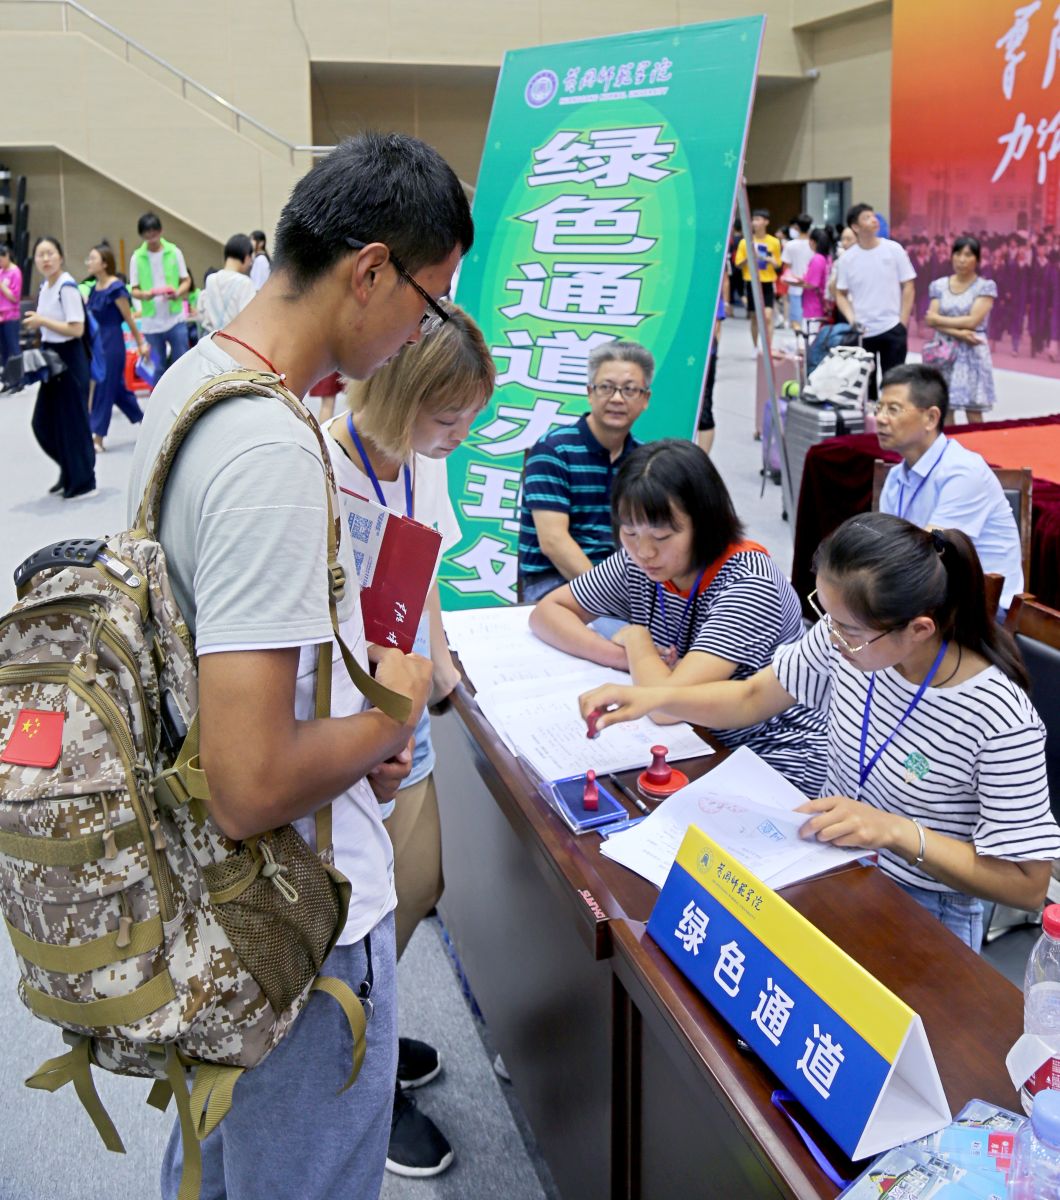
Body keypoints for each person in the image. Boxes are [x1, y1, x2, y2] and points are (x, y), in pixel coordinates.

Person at [126, 131, 472, 1200]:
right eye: (432, 304)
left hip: (203, 894)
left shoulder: (197, 380)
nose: (425, 333)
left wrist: (350, 731)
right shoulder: (277, 450)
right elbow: (252, 782)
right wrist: (389, 713)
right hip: (296, 921)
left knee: (215, 1161)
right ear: (370, 271)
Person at [579, 512, 1060, 952]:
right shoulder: (848, 639)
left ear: (919, 630)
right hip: (829, 864)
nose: (831, 636)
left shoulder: (998, 718)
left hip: (923, 908)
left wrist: (897, 832)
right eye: (825, 613)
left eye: (849, 629)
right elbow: (751, 697)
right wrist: (656, 697)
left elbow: (1027, 883)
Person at [330, 302, 494, 1178]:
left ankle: (369, 1030)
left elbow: (421, 562)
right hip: (351, 723)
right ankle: (356, 1074)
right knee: (357, 915)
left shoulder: (421, 457)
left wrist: (441, 659)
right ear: (399, 393)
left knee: (418, 882)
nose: (462, 435)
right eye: (449, 417)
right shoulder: (323, 465)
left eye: (470, 416)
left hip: (403, 704)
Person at [530, 439, 827, 795]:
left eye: (662, 535)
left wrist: (637, 639)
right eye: (629, 531)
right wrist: (619, 656)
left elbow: (666, 707)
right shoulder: (640, 562)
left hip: (771, 756)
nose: (644, 551)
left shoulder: (749, 583)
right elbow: (547, 612)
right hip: (695, 740)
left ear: (706, 523)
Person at [875, 363, 1023, 612]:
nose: (880, 418)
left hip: (984, 610)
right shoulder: (896, 477)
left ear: (931, 418)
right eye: (878, 408)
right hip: (929, 595)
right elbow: (884, 546)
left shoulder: (963, 472)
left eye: (893, 409)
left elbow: (931, 554)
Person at [517, 340, 652, 602]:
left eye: (629, 389)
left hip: (625, 584)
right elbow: (553, 541)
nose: (617, 398)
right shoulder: (554, 450)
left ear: (645, 399)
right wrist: (609, 597)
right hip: (553, 580)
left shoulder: (644, 460)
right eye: (606, 387)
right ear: (590, 392)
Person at [22, 236, 96, 499]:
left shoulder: (67, 287)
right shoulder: (46, 286)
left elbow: (76, 329)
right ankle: (69, 470)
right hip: (51, 358)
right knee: (44, 422)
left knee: (73, 422)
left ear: (60, 257)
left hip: (70, 359)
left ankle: (83, 480)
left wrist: (41, 321)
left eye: (50, 253)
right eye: (40, 254)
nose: (45, 259)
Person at [835, 202, 916, 393]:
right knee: (865, 389)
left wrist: (902, 323)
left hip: (892, 328)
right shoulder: (847, 259)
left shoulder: (894, 249)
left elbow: (909, 285)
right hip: (863, 332)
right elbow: (840, 294)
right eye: (866, 218)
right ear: (855, 227)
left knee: (894, 386)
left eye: (873, 216)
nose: (873, 220)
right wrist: (852, 320)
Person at [924, 236, 998, 423]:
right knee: (946, 408)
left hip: (972, 353)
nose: (961, 260)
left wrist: (939, 320)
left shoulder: (985, 287)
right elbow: (930, 320)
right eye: (957, 254)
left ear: (977, 259)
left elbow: (972, 321)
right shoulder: (939, 285)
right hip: (943, 353)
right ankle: (950, 443)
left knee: (973, 410)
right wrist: (959, 333)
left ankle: (977, 443)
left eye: (968, 255)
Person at [84, 241, 149, 451]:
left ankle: (97, 437)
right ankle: (145, 420)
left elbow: (129, 318)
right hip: (97, 341)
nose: (88, 262)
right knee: (117, 389)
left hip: (112, 342)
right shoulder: (93, 289)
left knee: (103, 386)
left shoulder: (116, 288)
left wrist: (140, 342)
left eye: (92, 258)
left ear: (104, 263)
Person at [130, 211, 191, 372]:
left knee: (182, 363)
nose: (151, 235)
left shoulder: (174, 252)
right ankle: (158, 390)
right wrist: (145, 295)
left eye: (154, 231)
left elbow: (186, 280)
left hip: (175, 317)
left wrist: (177, 293)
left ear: (160, 230)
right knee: (158, 367)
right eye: (147, 232)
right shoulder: (137, 257)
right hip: (151, 322)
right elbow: (134, 290)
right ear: (141, 234)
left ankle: (184, 389)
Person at [734, 209, 782, 349]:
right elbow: (738, 264)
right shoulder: (745, 242)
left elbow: (778, 264)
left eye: (758, 219)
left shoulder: (774, 242)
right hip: (751, 282)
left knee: (768, 316)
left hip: (767, 282)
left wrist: (770, 259)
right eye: (753, 219)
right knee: (754, 317)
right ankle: (755, 347)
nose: (755, 222)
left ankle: (768, 348)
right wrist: (749, 256)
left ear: (766, 222)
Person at [196, 233, 257, 333]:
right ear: (246, 257)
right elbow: (249, 320)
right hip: (233, 339)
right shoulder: (245, 283)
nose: (250, 263)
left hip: (212, 338)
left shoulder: (211, 279)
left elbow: (205, 314)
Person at [780, 213, 815, 333]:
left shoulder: (790, 245)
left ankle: (799, 340)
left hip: (795, 286)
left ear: (796, 227)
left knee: (796, 320)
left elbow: (787, 267)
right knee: (810, 319)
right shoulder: (814, 245)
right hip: (811, 286)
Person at [0, 242, 23, 389]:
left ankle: (19, 380)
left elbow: (14, 297)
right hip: (1, 316)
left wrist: (1, 285)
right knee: (4, 350)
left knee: (14, 348)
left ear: (7, 256)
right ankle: (7, 380)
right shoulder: (1, 272)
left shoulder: (15, 272)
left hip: (11, 316)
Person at [800, 227, 834, 326]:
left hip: (813, 305)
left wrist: (793, 283)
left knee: (811, 333)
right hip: (824, 304)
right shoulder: (828, 258)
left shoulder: (817, 259)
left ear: (812, 242)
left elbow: (812, 284)